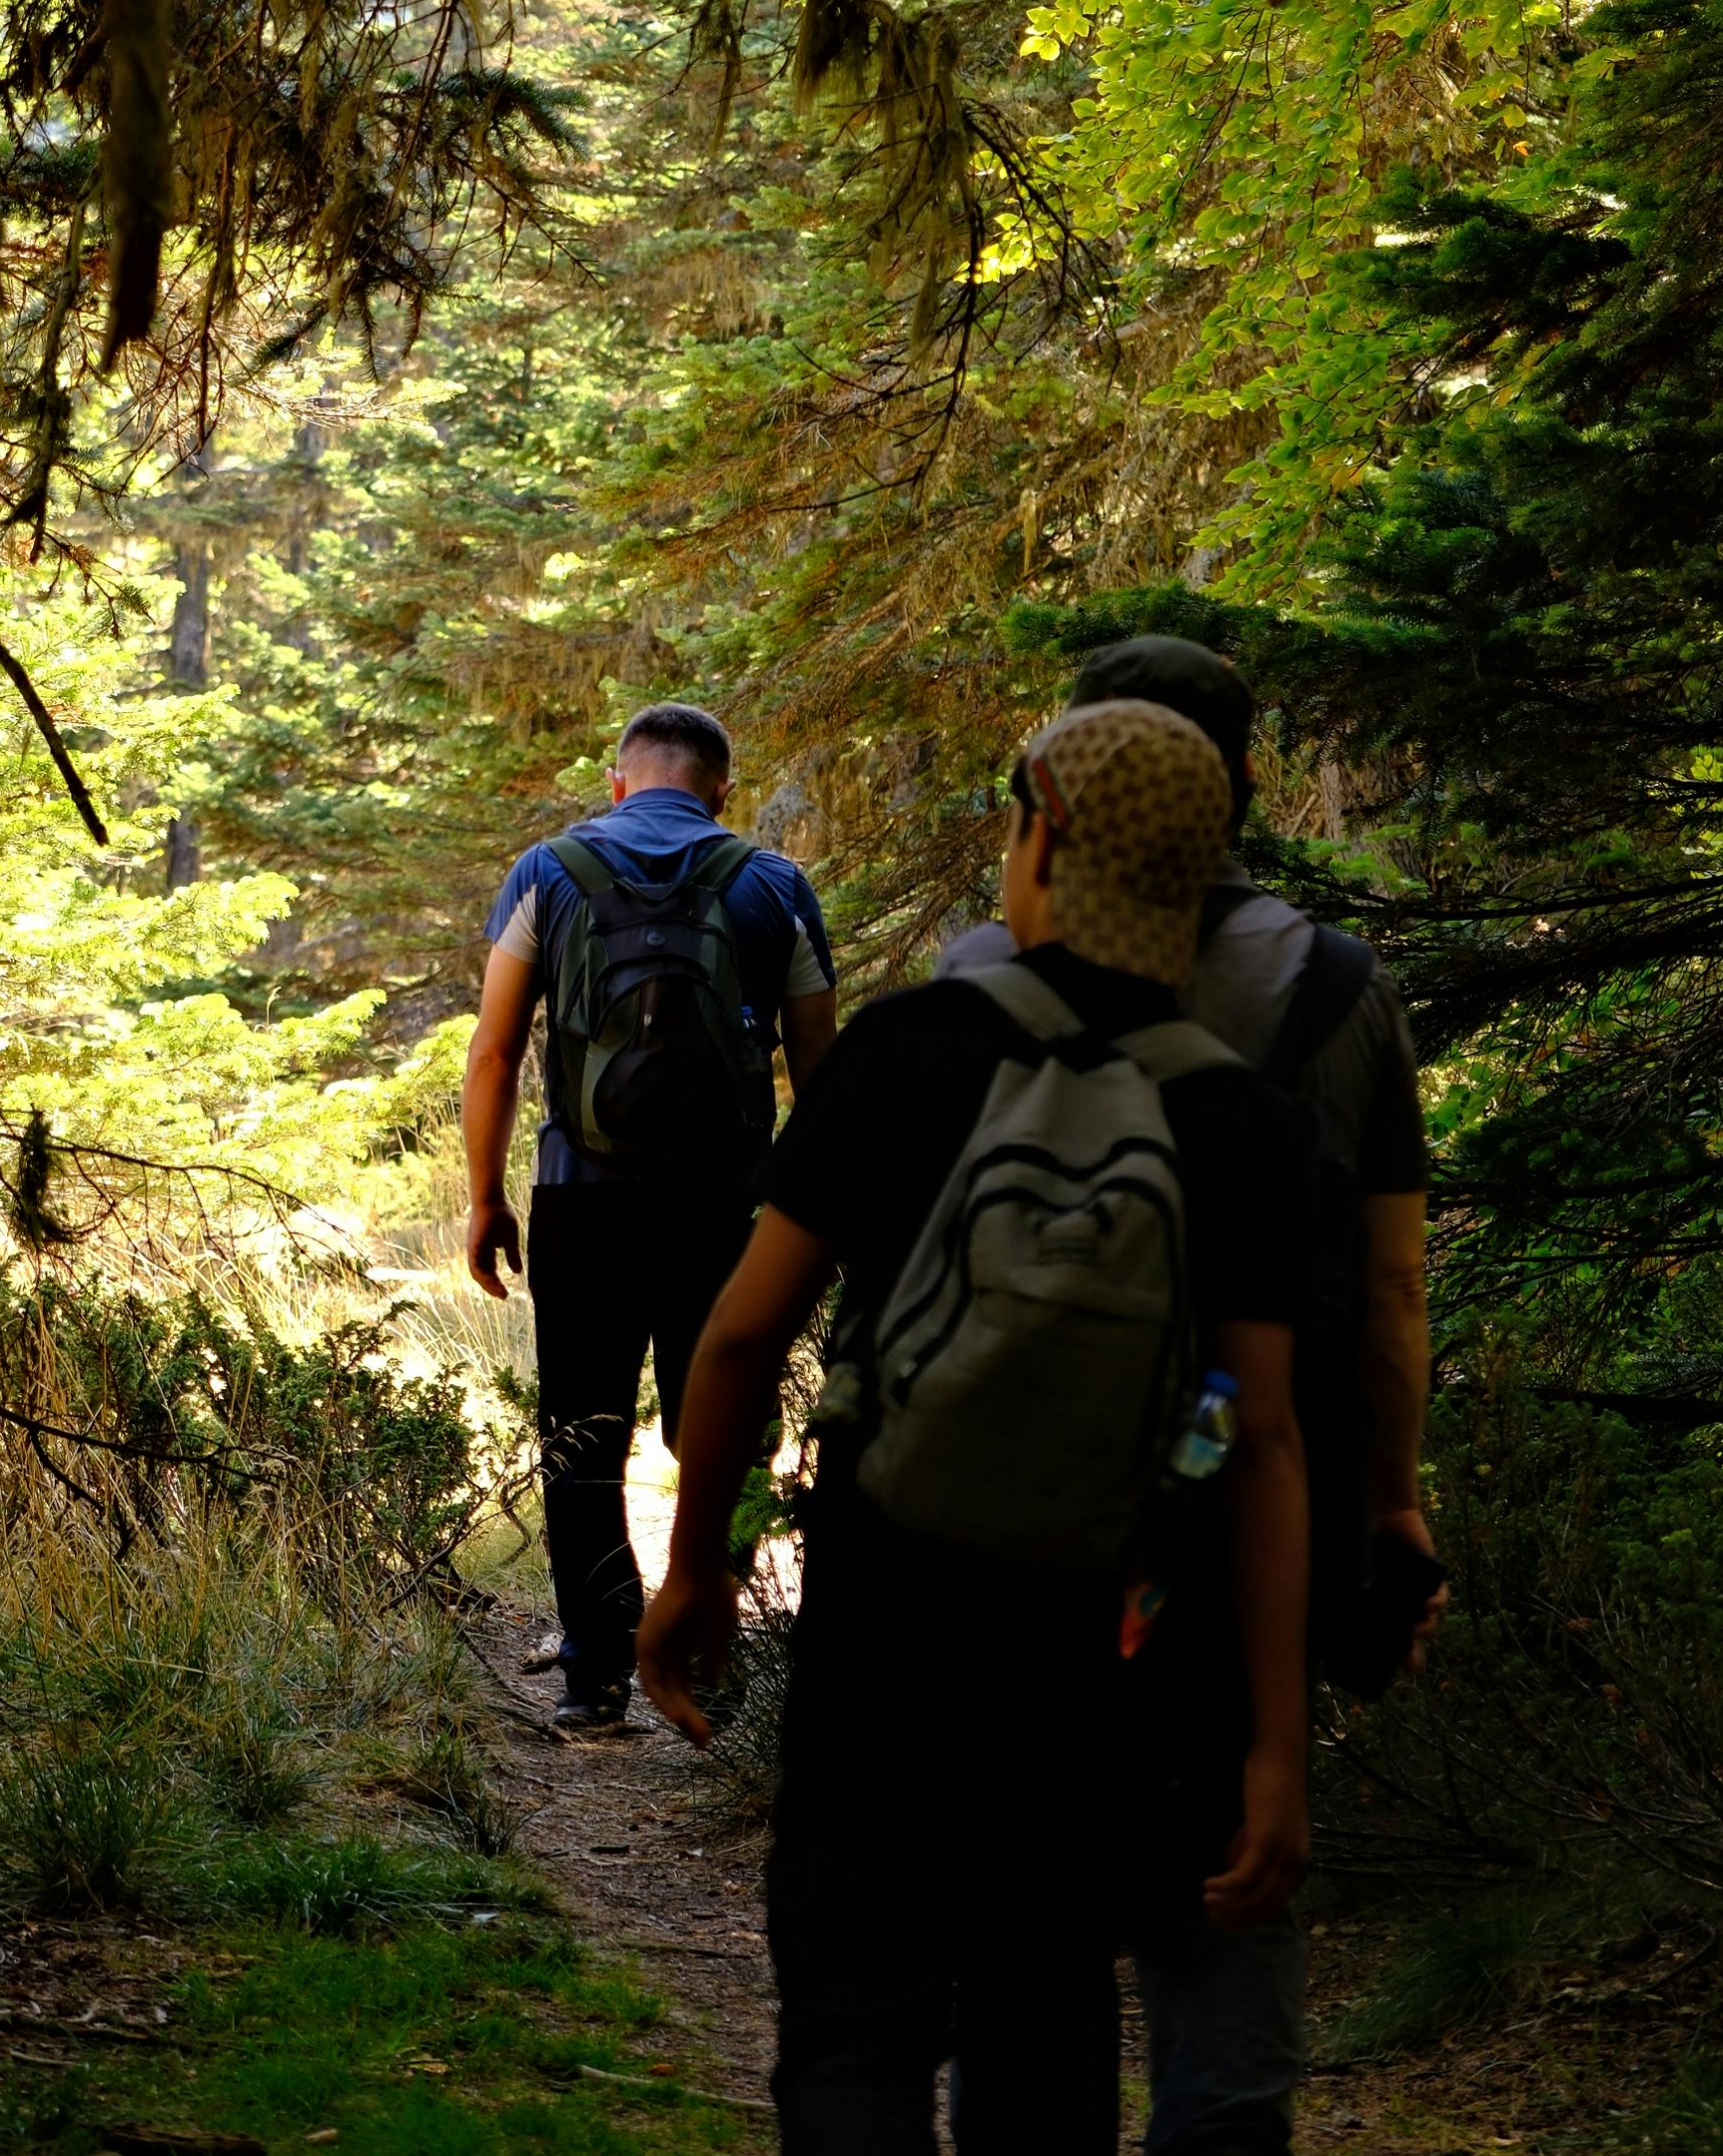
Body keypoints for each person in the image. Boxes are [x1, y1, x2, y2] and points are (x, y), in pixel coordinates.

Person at [639, 697, 1315, 2156]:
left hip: (890, 1622)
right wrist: (1273, 1743)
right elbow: (1255, 1442)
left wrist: (695, 1569)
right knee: (1046, 2009)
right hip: (1108, 1655)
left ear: (1044, 835)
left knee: (854, 2034)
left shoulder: (910, 1051)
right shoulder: (1245, 1124)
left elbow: (742, 1337)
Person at [943, 634, 1436, 2156]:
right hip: (1250, 1487)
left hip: (1018, 1495)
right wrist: (1391, 1498)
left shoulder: (976, 976)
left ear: (1066, 786)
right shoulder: (1339, 987)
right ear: (1239, 783)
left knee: (1026, 1891)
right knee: (1232, 1859)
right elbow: (1395, 1290)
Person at [464, 700, 837, 1732]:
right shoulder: (774, 884)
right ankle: (713, 1655)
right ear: (722, 790)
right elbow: (821, 1076)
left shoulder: (548, 870)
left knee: (582, 1432)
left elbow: (494, 1050)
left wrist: (486, 1196)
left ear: (618, 784)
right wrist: (823, 1222)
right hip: (726, 1206)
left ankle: (595, 1676)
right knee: (719, 1421)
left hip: (579, 1196)